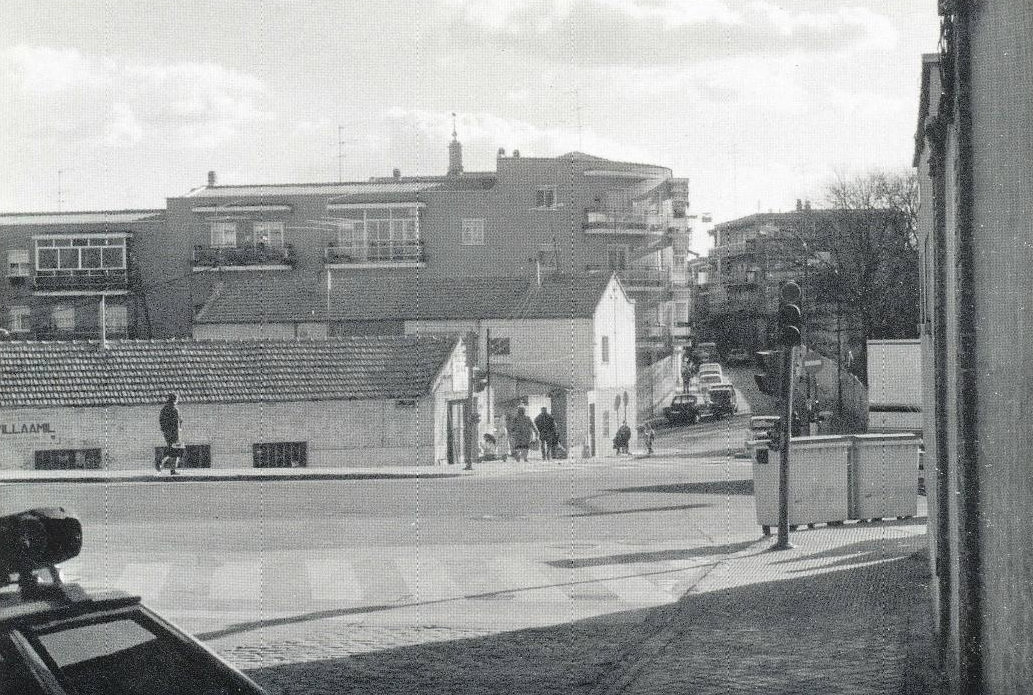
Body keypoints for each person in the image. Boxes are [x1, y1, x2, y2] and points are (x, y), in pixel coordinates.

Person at [157, 393, 183, 475]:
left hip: (167, 432)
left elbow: (161, 420)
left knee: (170, 448)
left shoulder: (164, 409)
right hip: (174, 432)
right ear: (175, 400)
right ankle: (171, 469)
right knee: (175, 450)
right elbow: (177, 422)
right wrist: (178, 431)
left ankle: (161, 461)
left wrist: (164, 429)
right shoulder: (175, 409)